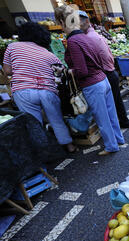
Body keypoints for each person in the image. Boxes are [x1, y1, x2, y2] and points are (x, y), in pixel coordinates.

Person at [55, 4, 124, 156]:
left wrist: (66, 71)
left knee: (102, 118)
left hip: (92, 84)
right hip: (103, 80)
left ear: (62, 22)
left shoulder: (73, 41)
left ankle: (111, 146)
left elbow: (82, 71)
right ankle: (119, 139)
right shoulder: (86, 36)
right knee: (111, 114)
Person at [2, 22, 76, 153]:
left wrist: (23, 69)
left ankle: (45, 153)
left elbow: (7, 71)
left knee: (34, 124)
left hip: (23, 90)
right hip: (47, 90)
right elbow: (61, 71)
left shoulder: (12, 47)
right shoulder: (49, 54)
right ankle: (69, 145)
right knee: (57, 120)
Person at [79, 11, 129, 129]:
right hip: (110, 72)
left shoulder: (89, 38)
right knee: (116, 101)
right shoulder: (95, 35)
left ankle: (119, 125)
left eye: (77, 23)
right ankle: (123, 123)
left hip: (106, 73)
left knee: (113, 103)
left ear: (86, 21)